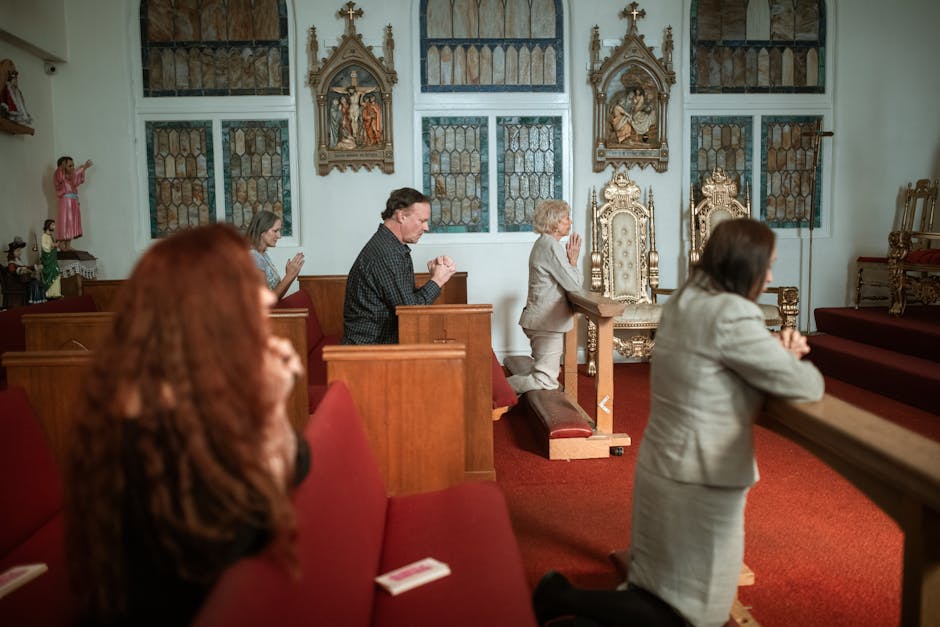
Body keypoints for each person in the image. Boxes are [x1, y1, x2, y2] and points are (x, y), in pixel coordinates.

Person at [532, 219, 824, 627]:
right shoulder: (733, 312)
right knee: (697, 609)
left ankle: (564, 601)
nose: (771, 275)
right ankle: (563, 597)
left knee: (655, 588)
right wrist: (788, 356)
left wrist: (770, 353)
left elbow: (714, 362)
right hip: (702, 476)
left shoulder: (688, 298)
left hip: (664, 461)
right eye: (768, 265)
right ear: (745, 265)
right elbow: (808, 386)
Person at [64, 223, 310, 627]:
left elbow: (301, 459)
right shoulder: (148, 422)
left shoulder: (201, 388)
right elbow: (235, 543)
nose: (264, 299)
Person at [342, 187, 456, 345]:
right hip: (369, 352)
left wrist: (434, 278)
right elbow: (410, 313)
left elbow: (405, 301)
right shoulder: (388, 254)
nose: (426, 227)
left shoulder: (391, 246)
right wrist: (437, 281)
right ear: (401, 216)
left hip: (379, 345)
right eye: (422, 221)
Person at [506, 199, 583, 394]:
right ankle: (492, 390)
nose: (570, 221)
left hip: (541, 321)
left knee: (544, 374)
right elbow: (574, 285)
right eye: (566, 218)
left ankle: (497, 388)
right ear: (555, 222)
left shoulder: (545, 243)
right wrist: (573, 262)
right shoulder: (550, 246)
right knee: (545, 381)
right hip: (545, 323)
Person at [246, 209, 305, 300]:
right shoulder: (253, 257)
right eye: (275, 231)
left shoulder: (263, 255)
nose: (279, 236)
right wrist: (288, 276)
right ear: (262, 231)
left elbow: (277, 296)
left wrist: (292, 275)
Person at [54, 155, 93, 250]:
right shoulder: (60, 176)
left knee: (71, 224)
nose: (73, 168)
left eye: (73, 165)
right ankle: (61, 243)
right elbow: (60, 176)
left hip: (73, 202)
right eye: (70, 166)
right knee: (66, 222)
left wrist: (84, 168)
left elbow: (76, 177)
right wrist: (83, 167)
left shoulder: (70, 178)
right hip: (66, 202)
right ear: (63, 166)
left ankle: (67, 246)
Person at [5, 236, 45, 304]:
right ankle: (34, 302)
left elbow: (26, 267)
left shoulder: (18, 261)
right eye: (17, 251)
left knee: (39, 283)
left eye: (20, 250)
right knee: (34, 283)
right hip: (16, 282)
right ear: (12, 252)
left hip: (22, 281)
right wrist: (21, 270)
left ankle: (40, 301)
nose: (19, 252)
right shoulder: (11, 262)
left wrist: (35, 267)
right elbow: (12, 270)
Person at [40, 219, 62, 299]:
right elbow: (45, 248)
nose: (54, 226)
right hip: (48, 260)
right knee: (54, 273)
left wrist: (56, 244)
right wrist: (53, 245)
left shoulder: (50, 236)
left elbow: (53, 246)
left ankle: (56, 293)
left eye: (54, 225)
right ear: (48, 225)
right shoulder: (44, 236)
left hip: (53, 260)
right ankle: (49, 293)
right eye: (52, 225)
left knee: (57, 274)